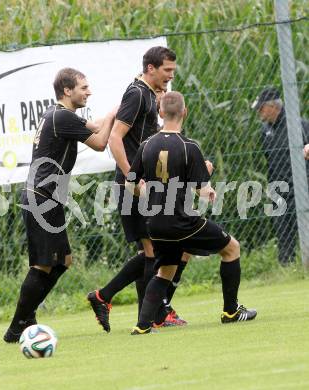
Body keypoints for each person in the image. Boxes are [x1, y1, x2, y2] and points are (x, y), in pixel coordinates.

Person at [125, 91, 257, 335]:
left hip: (155, 223)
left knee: (166, 270)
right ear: (184, 112)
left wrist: (148, 196)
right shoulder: (189, 147)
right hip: (183, 221)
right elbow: (204, 193)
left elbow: (130, 185)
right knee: (232, 248)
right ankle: (231, 311)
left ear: (160, 113)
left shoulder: (146, 146)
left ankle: (143, 326)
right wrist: (206, 173)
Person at [3, 67, 116, 342]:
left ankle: (26, 317)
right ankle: (18, 326)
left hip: (47, 198)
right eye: (83, 87)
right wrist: (116, 114)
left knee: (63, 261)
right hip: (41, 198)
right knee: (43, 266)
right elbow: (101, 142)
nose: (88, 91)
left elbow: (96, 125)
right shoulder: (62, 116)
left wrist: (118, 111)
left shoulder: (58, 115)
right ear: (67, 91)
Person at [87, 46, 189, 332]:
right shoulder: (136, 93)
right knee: (154, 250)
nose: (170, 76)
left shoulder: (149, 95)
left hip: (145, 184)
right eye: (167, 70)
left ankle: (108, 298)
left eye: (172, 70)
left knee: (157, 249)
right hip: (133, 185)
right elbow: (115, 139)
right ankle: (151, 317)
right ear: (150, 68)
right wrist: (133, 177)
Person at [252, 87, 309, 265]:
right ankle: (287, 267)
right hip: (278, 189)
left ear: (272, 107)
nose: (259, 113)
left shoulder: (298, 125)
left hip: (301, 187)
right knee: (282, 229)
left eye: (261, 108)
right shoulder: (266, 131)